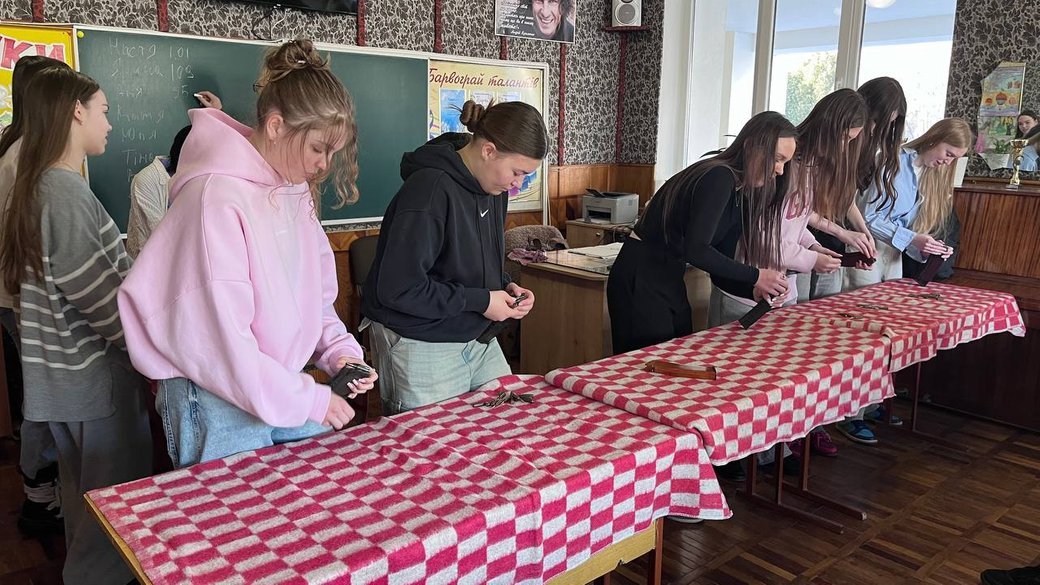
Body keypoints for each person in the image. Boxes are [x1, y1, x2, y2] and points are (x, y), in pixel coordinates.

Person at [118, 39, 376, 468]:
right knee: (233, 507)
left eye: (332, 153)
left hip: (272, 381)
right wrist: (311, 400)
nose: (324, 165)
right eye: (318, 148)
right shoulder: (214, 197)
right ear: (275, 126)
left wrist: (339, 352)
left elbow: (313, 300)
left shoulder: (293, 191)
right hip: (215, 393)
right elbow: (222, 345)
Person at [0, 65, 153, 585]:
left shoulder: (39, 184)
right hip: (93, 383)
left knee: (85, 507)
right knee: (115, 519)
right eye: (104, 111)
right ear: (76, 112)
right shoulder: (62, 191)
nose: (109, 124)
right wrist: (152, 350)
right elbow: (99, 300)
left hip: (69, 383)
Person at [362, 99, 546, 415]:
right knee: (432, 442)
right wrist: (482, 300)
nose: (518, 184)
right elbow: (399, 289)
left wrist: (504, 287)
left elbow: (468, 260)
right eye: (517, 172)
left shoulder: (494, 188)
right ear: (488, 151)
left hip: (477, 336)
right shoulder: (429, 190)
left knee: (511, 424)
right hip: (420, 340)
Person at [837, 118, 972, 444]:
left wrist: (929, 247)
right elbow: (868, 217)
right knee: (861, 338)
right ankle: (849, 415)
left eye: (954, 158)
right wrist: (913, 239)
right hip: (867, 248)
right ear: (934, 139)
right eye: (948, 153)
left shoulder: (929, 175)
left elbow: (911, 229)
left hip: (893, 254)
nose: (947, 162)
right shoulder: (893, 162)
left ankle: (870, 404)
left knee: (886, 334)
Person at [0, 55, 68, 537]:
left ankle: (40, 490)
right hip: (23, 297)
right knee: (42, 397)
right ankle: (40, 496)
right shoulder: (28, 154)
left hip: (15, 295)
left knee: (37, 394)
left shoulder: (15, 145)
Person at [125, 90, 221, 258]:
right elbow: (164, 242)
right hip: (154, 265)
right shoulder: (148, 181)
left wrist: (216, 115)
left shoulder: (206, 179)